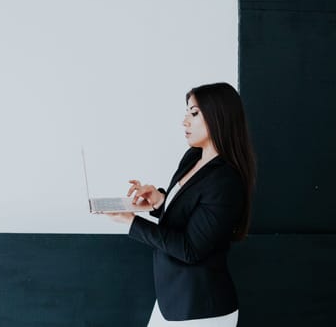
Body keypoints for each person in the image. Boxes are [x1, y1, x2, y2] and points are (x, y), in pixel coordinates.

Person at [106, 82, 256, 326]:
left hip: (200, 309)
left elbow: (191, 249)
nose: (184, 121)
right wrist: (158, 201)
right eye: (187, 112)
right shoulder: (193, 157)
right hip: (174, 300)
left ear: (219, 116)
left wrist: (133, 222)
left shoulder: (226, 181)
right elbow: (190, 212)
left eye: (194, 113)